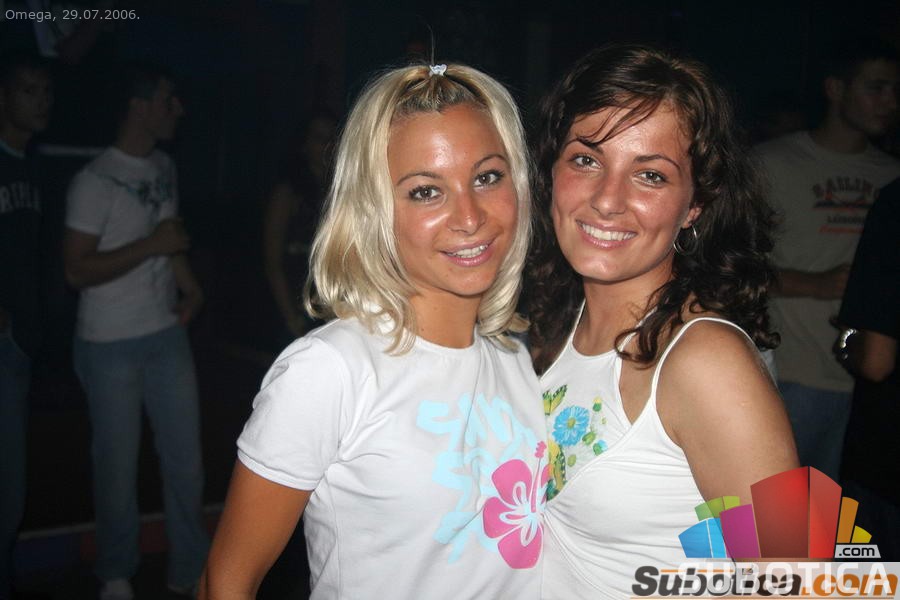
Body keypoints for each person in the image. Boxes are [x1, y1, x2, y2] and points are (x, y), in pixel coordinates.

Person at [201, 63, 546, 599]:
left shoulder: (514, 357)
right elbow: (225, 583)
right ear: (374, 210)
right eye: (426, 191)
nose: (469, 216)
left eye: (487, 177)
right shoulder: (329, 370)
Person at [526, 44, 799, 599]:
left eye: (650, 175)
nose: (608, 200)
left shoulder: (707, 361)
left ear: (694, 205)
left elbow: (802, 577)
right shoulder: (553, 326)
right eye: (586, 160)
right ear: (551, 170)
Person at [62, 62, 209, 599]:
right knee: (117, 468)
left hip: (165, 333)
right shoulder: (94, 180)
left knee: (186, 464)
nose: (179, 110)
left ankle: (190, 569)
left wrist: (190, 289)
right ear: (140, 107)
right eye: (169, 100)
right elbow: (76, 270)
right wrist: (155, 246)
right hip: (109, 343)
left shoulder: (163, 166)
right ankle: (115, 572)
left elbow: (167, 241)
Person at [755, 39, 900, 479]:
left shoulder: (892, 174)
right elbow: (718, 266)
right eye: (876, 88)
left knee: (844, 514)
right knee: (778, 510)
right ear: (836, 89)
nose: (890, 102)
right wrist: (813, 283)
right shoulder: (770, 164)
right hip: (793, 375)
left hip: (873, 385)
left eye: (896, 91)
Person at [0, 49, 52, 600]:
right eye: (28, 90)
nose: (42, 101)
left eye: (46, 91)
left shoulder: (31, 167)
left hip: (19, 344)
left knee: (10, 496)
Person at [835, 177, 900, 561]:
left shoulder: (895, 203)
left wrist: (847, 347)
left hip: (886, 467)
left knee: (869, 582)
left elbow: (876, 361)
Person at [262, 110, 337, 341]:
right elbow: (273, 260)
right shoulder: (287, 192)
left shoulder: (340, 191)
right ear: (304, 145)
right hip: (296, 302)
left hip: (332, 304)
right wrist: (290, 317)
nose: (327, 145)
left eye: (331, 138)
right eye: (319, 138)